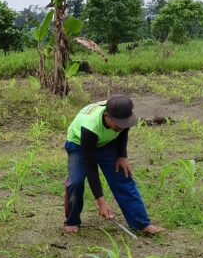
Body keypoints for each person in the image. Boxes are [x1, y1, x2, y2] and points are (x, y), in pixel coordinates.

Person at [63, 94, 162, 235]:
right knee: (75, 182)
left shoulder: (123, 113)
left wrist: (122, 155)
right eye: (118, 124)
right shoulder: (90, 126)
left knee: (122, 177)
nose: (121, 127)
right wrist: (100, 201)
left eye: (124, 123)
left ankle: (142, 223)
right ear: (107, 116)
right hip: (80, 144)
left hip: (107, 143)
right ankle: (72, 220)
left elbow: (124, 129)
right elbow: (91, 168)